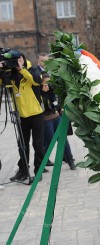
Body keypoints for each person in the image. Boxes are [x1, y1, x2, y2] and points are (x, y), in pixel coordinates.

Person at [1, 52, 46, 181]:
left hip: (36, 114)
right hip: (21, 116)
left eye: (20, 58)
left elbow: (36, 81)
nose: (18, 61)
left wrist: (22, 69)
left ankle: (39, 170)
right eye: (16, 59)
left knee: (38, 145)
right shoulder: (10, 73)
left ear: (24, 59)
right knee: (22, 145)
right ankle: (23, 170)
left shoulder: (32, 70)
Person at [41, 73, 76, 170]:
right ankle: (42, 163)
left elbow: (56, 102)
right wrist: (43, 92)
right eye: (46, 83)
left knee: (63, 140)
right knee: (49, 143)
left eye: (50, 82)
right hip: (46, 120)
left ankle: (70, 160)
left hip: (56, 118)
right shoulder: (39, 93)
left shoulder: (52, 92)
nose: (48, 85)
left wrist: (50, 91)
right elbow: (41, 106)